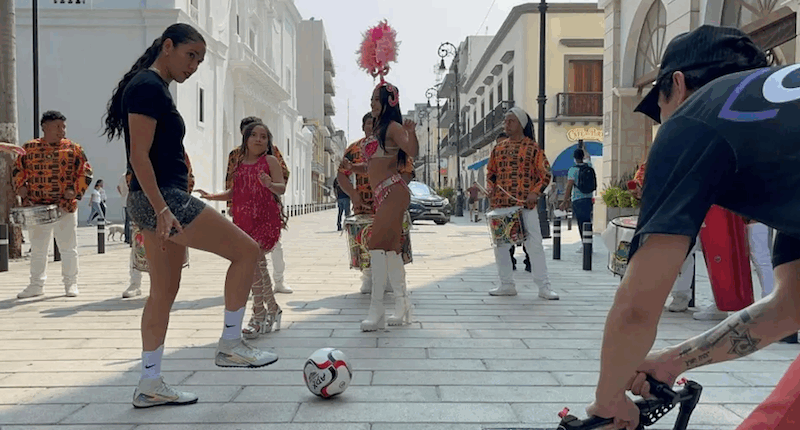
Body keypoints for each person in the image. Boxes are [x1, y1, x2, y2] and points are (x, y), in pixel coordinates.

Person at [585, 25, 800, 430]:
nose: (663, 123)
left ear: (678, 85)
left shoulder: (696, 117)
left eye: (660, 108)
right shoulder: (784, 139)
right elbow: (791, 307)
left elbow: (637, 305)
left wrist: (609, 401)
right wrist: (673, 361)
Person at [102, 23, 277, 409]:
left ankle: (149, 383)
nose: (195, 65)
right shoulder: (148, 87)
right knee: (247, 252)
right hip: (163, 198)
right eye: (190, 55)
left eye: (200, 59)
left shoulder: (151, 86)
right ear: (167, 46)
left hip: (153, 199)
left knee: (162, 293)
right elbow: (139, 157)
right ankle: (231, 344)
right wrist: (163, 208)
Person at [198, 121, 285, 339]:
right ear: (245, 139)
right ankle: (273, 309)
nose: (259, 139)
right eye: (254, 135)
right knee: (258, 265)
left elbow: (281, 188)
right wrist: (212, 196)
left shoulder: (270, 161)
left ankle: (258, 315)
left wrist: (269, 184)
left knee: (254, 265)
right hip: (243, 221)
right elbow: (234, 192)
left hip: (265, 221)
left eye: (263, 136)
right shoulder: (238, 162)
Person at [345, 83, 419, 331]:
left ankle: (376, 310)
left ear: (390, 101)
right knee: (391, 250)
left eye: (377, 99)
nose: (372, 103)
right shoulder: (377, 128)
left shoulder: (394, 127)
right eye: (371, 98)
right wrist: (354, 168)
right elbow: (373, 165)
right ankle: (402, 305)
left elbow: (412, 151)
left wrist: (411, 132)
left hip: (393, 191)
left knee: (375, 244)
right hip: (383, 194)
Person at [12, 110, 93, 299]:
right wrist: (20, 187)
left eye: (63, 126)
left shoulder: (74, 149)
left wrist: (74, 190)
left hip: (65, 207)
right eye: (57, 126)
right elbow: (17, 169)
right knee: (38, 249)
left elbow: (86, 172)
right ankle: (36, 285)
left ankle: (71, 284)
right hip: (37, 207)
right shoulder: (29, 148)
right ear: (44, 127)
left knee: (68, 248)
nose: (62, 130)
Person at [485, 107, 557, 299]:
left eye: (511, 121)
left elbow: (545, 174)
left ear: (521, 124)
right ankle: (506, 284)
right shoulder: (498, 149)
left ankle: (544, 287)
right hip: (501, 204)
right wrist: (490, 188)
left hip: (525, 205)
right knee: (501, 247)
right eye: (505, 121)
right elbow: (491, 173)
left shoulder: (533, 148)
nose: (506, 124)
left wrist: (535, 192)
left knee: (535, 245)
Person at [338, 112, 413, 294]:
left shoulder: (395, 146)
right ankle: (369, 277)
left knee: (393, 241)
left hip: (389, 204)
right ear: (363, 127)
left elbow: (407, 172)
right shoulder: (354, 149)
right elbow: (342, 175)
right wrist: (354, 195)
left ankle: (392, 279)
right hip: (364, 206)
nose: (372, 127)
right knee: (366, 241)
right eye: (369, 124)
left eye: (376, 123)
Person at [227, 116, 293, 294]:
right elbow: (230, 181)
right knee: (247, 248)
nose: (257, 139)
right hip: (244, 210)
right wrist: (232, 204)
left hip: (266, 206)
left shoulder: (271, 152)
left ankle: (279, 280)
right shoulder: (235, 155)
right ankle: (253, 285)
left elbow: (283, 173)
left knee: (275, 245)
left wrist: (269, 188)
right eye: (251, 133)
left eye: (261, 134)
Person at [123, 153, 196, 299]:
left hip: (171, 204)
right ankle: (135, 283)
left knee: (166, 246)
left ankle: (159, 286)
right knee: (139, 244)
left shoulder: (178, 151)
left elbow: (188, 176)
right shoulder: (141, 148)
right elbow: (131, 174)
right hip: (144, 203)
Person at [560, 149, 595, 253]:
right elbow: (588, 158)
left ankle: (584, 245)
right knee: (587, 221)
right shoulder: (589, 166)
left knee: (581, 222)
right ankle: (589, 244)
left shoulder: (573, 170)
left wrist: (565, 201)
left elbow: (569, 186)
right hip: (588, 198)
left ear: (574, 158)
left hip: (577, 199)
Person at [117, 172, 132, 244]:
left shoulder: (122, 177)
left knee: (127, 220)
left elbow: (118, 187)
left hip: (125, 200)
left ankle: (127, 237)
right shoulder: (131, 176)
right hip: (130, 200)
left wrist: (122, 195)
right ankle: (129, 237)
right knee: (130, 220)